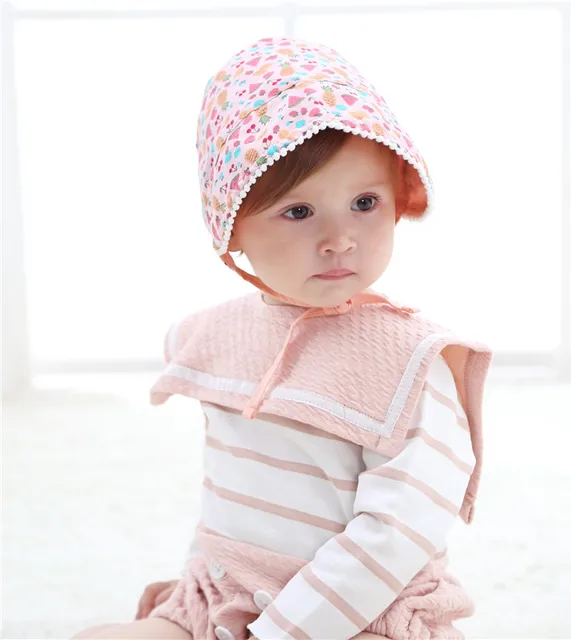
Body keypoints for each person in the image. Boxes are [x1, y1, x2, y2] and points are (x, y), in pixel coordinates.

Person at [71, 35, 492, 640]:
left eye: (365, 202)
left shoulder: (409, 361)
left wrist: (283, 631)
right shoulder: (218, 335)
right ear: (231, 227)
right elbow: (228, 494)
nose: (340, 238)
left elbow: (400, 533)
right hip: (224, 595)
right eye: (299, 211)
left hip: (364, 611)